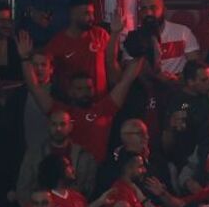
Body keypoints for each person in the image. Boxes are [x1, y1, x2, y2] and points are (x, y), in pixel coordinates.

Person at [19, 28, 142, 163]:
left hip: (98, 174)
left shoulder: (104, 109)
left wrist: (141, 51)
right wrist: (25, 59)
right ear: (70, 91)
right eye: (79, 88)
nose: (84, 92)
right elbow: (34, 88)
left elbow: (126, 80)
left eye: (88, 88)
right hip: (71, 173)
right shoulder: (62, 112)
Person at [15, 108, 98, 204]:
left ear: (70, 127)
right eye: (54, 124)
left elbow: (89, 189)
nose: (58, 129)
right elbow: (23, 189)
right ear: (48, 126)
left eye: (62, 124)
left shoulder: (84, 156)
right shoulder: (34, 155)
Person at [127, 0, 200, 78]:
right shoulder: (133, 38)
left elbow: (194, 67)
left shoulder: (182, 32)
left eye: (153, 8)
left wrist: (176, 79)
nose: (148, 13)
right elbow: (129, 71)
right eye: (144, 9)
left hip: (177, 86)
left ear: (164, 10)